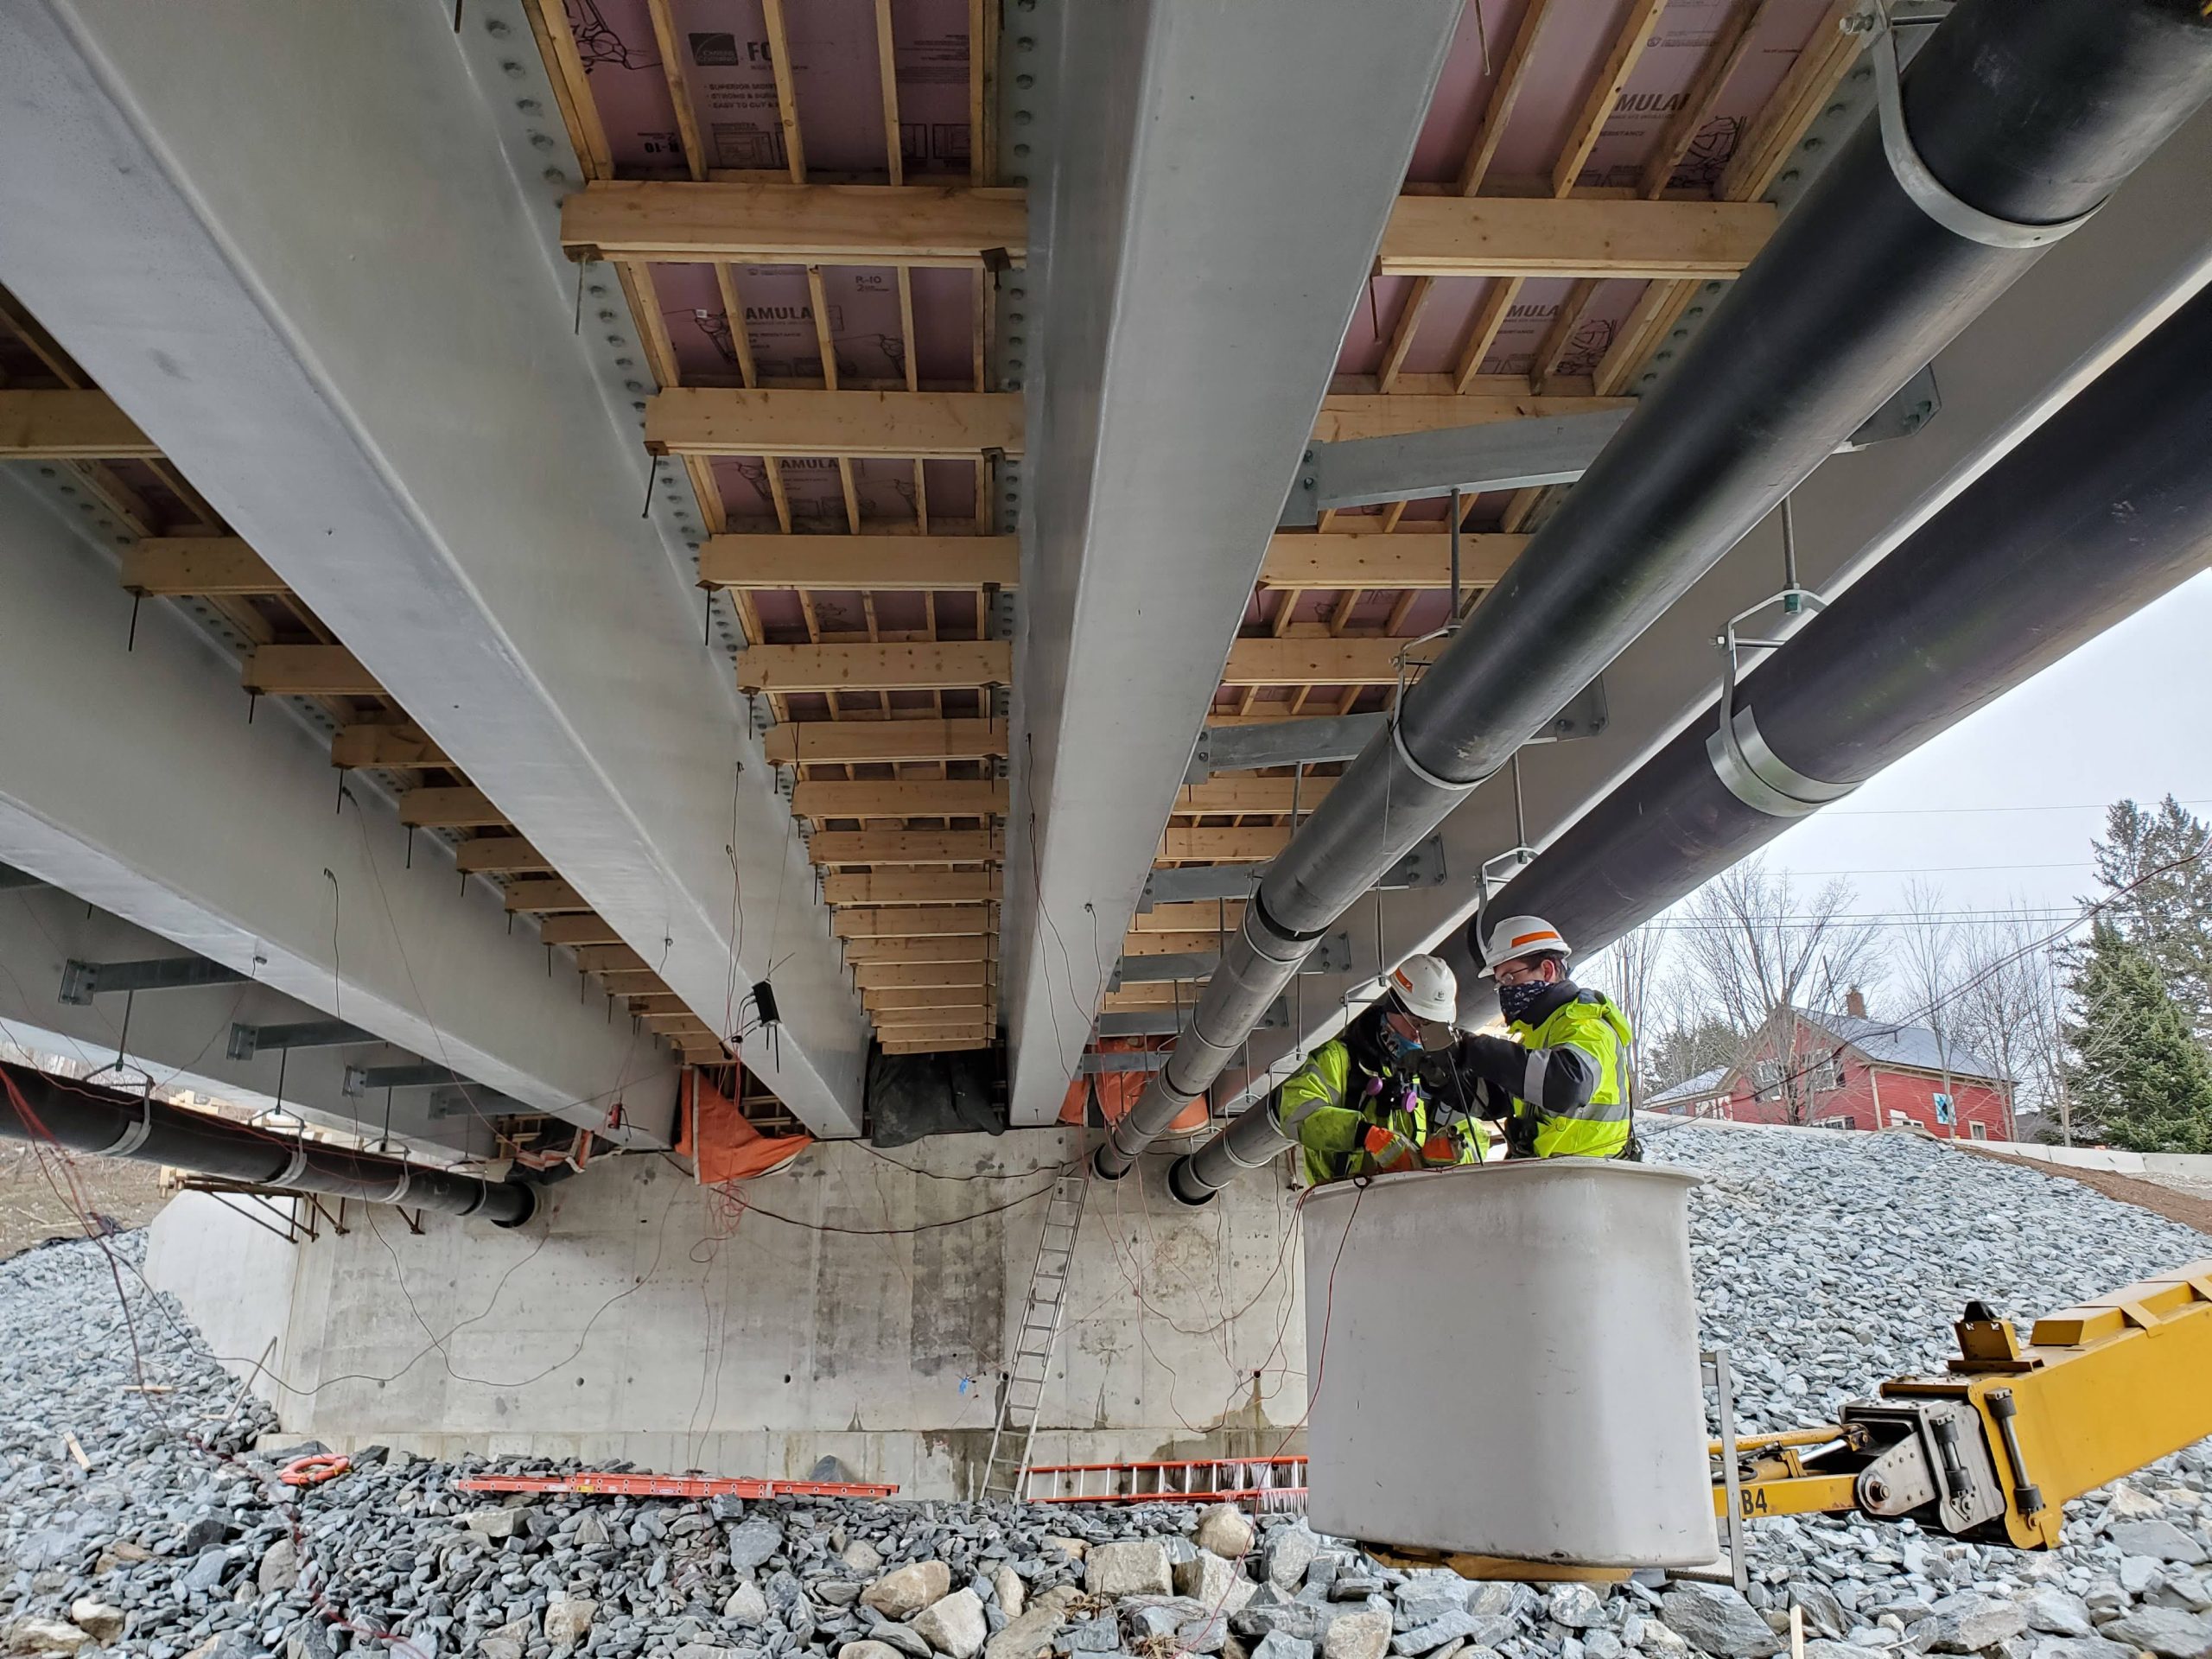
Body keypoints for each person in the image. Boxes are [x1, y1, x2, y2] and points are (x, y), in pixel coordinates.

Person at [1269, 955, 1493, 1186]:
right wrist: (1365, 1134)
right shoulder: (1339, 1060)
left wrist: (1455, 1149)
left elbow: (1477, 1135)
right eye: (1416, 1023)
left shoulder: (1433, 1074)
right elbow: (1296, 1112)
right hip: (1341, 1203)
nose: (1419, 1035)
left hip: (1411, 1202)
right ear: (1393, 1007)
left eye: (1430, 1026)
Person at [1444, 915, 1637, 1160]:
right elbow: (1498, 1102)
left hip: (1595, 1181)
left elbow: (1566, 1086)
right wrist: (1445, 1078)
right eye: (1500, 982)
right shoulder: (1538, 1037)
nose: (1505, 990)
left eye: (1510, 977)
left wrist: (1474, 1049)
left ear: (1547, 970)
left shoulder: (1588, 1025)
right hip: (1551, 1180)